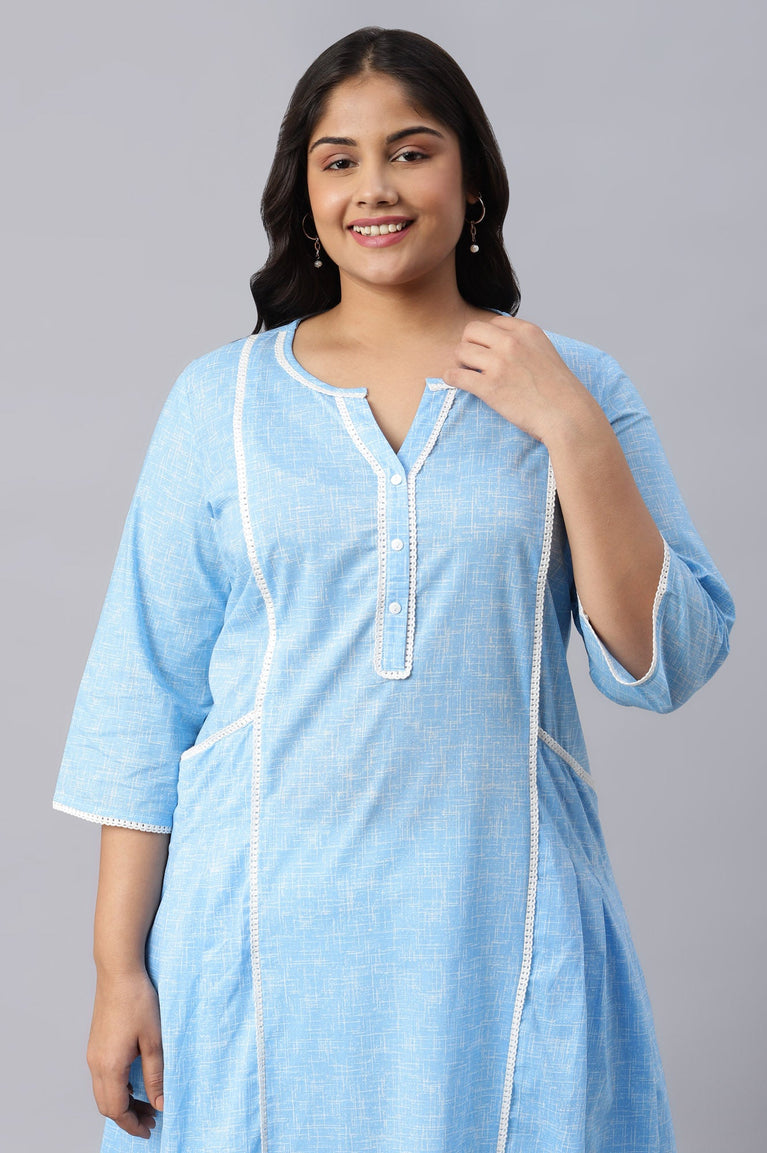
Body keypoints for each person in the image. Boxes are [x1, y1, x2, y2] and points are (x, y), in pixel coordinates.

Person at [53, 26, 734, 1153]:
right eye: (340, 160)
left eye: (410, 152)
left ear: (470, 180)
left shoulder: (576, 383)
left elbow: (666, 661)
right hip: (259, 933)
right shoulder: (220, 402)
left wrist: (566, 425)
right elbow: (144, 701)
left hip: (501, 922)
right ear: (307, 195)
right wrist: (116, 968)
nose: (374, 186)